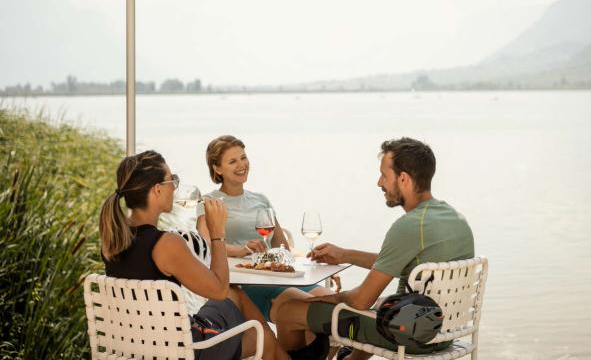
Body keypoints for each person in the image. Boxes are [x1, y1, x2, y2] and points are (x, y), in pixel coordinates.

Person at [270, 137, 475, 359]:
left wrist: (334, 298)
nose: (379, 182)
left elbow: (361, 300)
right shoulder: (454, 218)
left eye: (384, 176)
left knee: (287, 310)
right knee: (378, 306)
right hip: (442, 332)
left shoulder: (409, 225)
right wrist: (345, 255)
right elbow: (404, 261)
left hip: (409, 336)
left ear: (403, 178)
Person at [98, 150, 307, 360]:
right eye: (173, 180)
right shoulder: (166, 244)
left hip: (139, 347)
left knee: (235, 295)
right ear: (157, 190)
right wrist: (218, 233)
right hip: (184, 350)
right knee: (259, 335)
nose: (175, 187)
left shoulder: (113, 241)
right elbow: (218, 289)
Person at [197, 135, 329, 321]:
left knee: (329, 299)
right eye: (232, 161)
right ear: (217, 168)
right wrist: (241, 250)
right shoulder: (209, 202)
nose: (241, 165)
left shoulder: (260, 200)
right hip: (243, 283)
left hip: (273, 275)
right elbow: (206, 246)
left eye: (243, 157)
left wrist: (316, 262)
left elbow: (282, 246)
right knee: (312, 309)